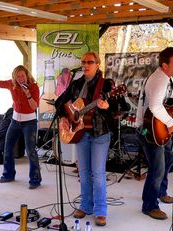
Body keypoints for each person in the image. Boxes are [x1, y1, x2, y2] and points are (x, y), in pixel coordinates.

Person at [55, 52, 119, 226]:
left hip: (100, 133)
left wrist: (107, 106)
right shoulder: (76, 84)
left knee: (97, 173)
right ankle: (85, 205)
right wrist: (65, 117)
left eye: (89, 62)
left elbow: (119, 106)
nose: (85, 64)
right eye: (83, 61)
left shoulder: (106, 84)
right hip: (80, 132)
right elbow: (60, 103)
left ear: (97, 64)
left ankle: (100, 210)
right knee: (83, 173)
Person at [0, 65, 42, 189]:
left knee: (30, 151)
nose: (21, 79)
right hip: (15, 121)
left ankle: (35, 179)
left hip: (29, 122)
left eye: (23, 76)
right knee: (8, 147)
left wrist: (28, 94)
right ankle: (8, 174)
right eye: (18, 76)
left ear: (27, 76)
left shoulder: (33, 86)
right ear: (14, 78)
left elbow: (34, 106)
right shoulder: (11, 84)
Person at [134, 47, 173, 220]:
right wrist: (170, 123)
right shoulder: (160, 80)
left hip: (157, 128)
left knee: (168, 159)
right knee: (157, 168)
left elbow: (164, 105)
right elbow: (155, 106)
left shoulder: (165, 78)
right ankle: (149, 205)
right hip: (150, 130)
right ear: (164, 64)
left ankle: (160, 191)